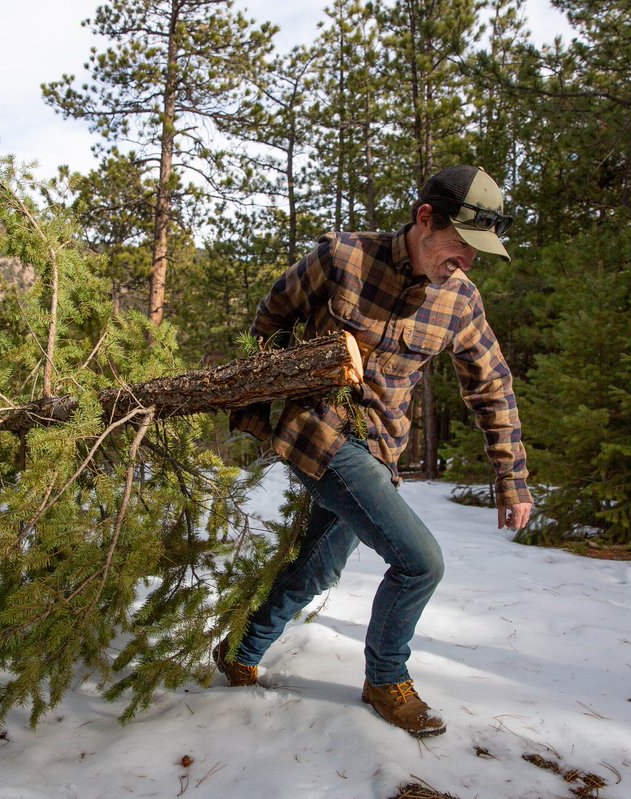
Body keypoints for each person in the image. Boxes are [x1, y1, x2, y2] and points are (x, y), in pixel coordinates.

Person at [218, 166, 533, 738]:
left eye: (479, 251)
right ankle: (386, 678)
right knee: (420, 563)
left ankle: (240, 650)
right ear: (425, 219)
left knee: (319, 566)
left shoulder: (460, 300)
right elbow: (271, 317)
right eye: (462, 244)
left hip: (380, 446)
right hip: (318, 432)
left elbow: (493, 387)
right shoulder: (342, 258)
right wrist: (254, 407)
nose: (467, 259)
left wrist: (511, 479)